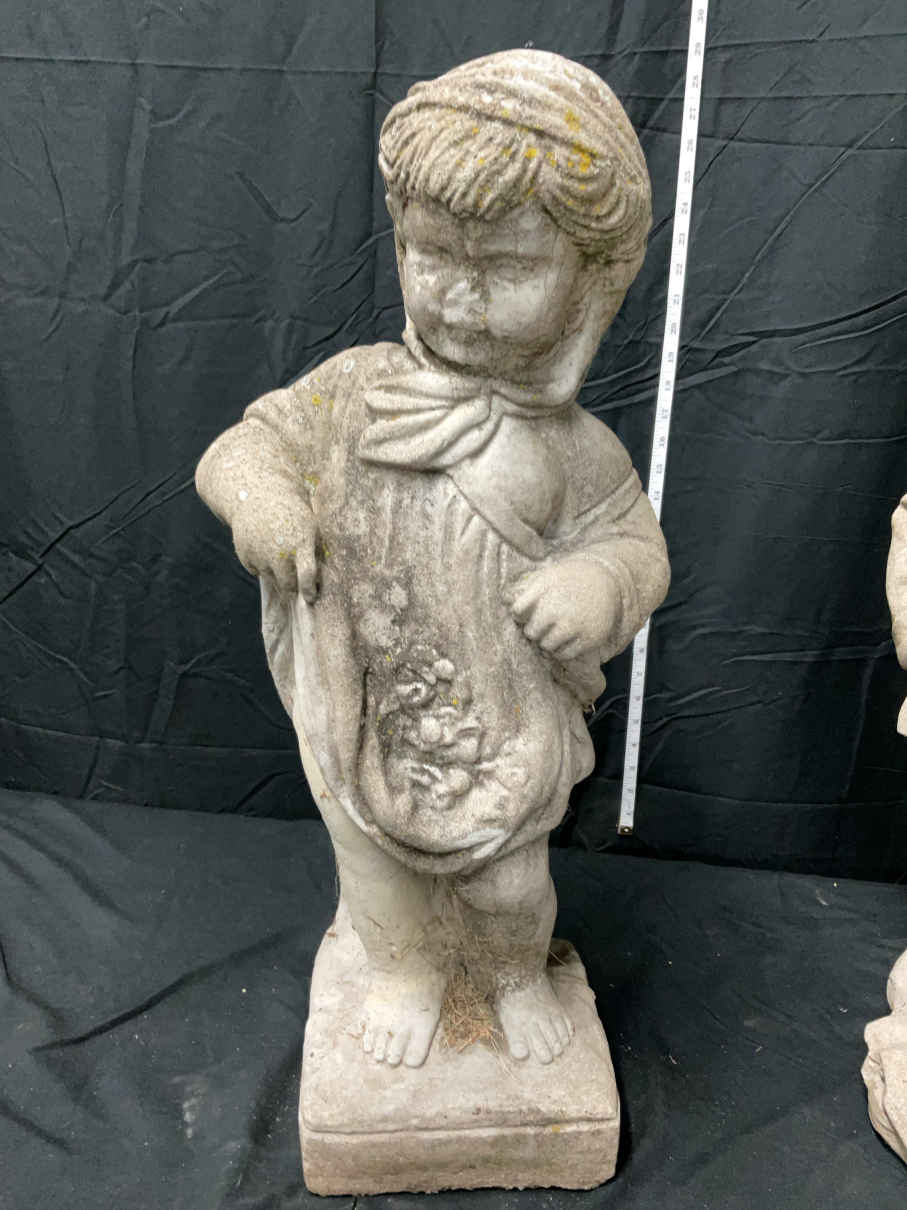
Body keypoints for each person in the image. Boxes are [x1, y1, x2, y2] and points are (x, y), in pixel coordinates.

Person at [197, 49, 670, 1069]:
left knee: (511, 889)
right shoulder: (356, 391)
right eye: (430, 255)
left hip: (498, 724)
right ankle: (405, 975)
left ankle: (511, 976)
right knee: (382, 884)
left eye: (507, 269)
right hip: (366, 702)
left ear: (589, 276)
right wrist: (263, 502)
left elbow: (638, 549)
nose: (457, 297)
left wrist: (598, 584)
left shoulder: (573, 450)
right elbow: (241, 449)